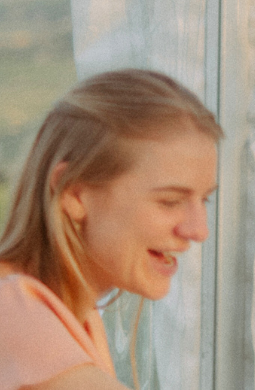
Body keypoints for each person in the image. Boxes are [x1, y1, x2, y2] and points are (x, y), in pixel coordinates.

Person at [0, 69, 221, 390]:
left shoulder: (74, 315)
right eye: (170, 201)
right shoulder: (15, 311)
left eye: (205, 200)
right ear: (74, 193)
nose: (199, 230)